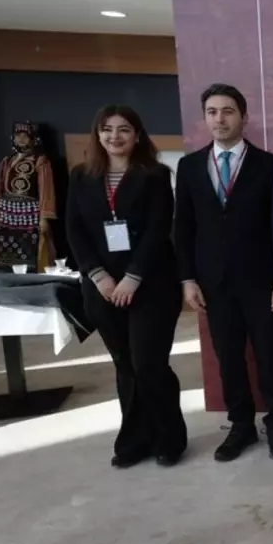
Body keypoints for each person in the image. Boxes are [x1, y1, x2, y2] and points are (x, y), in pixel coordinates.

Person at [174, 83, 273, 462]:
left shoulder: (270, 165)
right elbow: (183, 226)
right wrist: (187, 278)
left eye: (227, 111)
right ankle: (241, 425)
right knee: (228, 358)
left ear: (244, 117)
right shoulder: (190, 167)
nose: (219, 119)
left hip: (262, 281)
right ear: (205, 118)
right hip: (214, 283)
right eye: (212, 112)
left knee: (270, 356)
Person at [65, 105, 186, 467]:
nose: (114, 136)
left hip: (151, 284)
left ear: (137, 135)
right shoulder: (81, 176)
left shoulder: (155, 175)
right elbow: (74, 230)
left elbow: (158, 229)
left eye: (124, 129)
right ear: (97, 134)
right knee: (125, 365)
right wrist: (98, 275)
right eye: (107, 129)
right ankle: (135, 441)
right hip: (102, 286)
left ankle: (168, 440)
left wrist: (133, 278)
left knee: (149, 363)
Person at [0, 121, 57, 272]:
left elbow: (46, 190)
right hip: (7, 215)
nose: (21, 139)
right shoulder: (7, 161)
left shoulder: (40, 161)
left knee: (30, 252)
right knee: (6, 254)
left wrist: (44, 218)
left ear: (33, 139)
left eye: (25, 136)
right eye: (18, 136)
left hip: (29, 216)